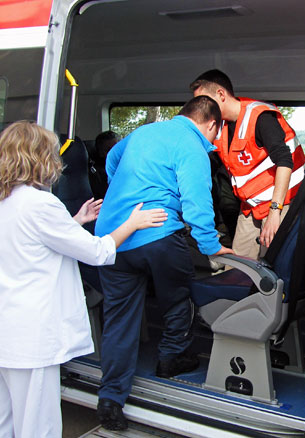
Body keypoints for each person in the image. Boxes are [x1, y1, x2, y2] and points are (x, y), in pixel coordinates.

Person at [0, 121, 167, 438]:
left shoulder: (1, 201)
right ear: (39, 158)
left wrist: (74, 221)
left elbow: (35, 244)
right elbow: (97, 251)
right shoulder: (42, 204)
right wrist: (133, 222)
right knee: (37, 426)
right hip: (29, 340)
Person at [94, 96, 233, 431]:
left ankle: (111, 399)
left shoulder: (143, 133)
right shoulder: (193, 146)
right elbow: (196, 202)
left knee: (119, 317)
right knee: (180, 293)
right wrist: (213, 248)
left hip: (112, 235)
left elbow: (112, 158)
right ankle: (170, 358)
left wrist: (124, 193)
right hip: (157, 232)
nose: (215, 141)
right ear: (212, 124)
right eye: (217, 133)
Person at [190, 69, 305, 259]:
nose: (201, 109)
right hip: (251, 206)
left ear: (220, 95)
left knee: (270, 266)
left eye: (204, 102)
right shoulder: (219, 128)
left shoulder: (259, 116)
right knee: (237, 266)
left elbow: (285, 161)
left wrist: (275, 212)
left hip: (281, 203)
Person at [89, 130, 119, 199]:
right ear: (100, 152)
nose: (114, 154)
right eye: (109, 150)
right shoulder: (97, 174)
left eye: (116, 149)